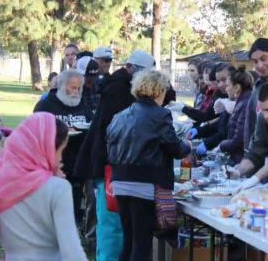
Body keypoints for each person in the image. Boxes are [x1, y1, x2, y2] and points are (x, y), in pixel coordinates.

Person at [73, 50, 155, 261]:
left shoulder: (117, 86)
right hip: (111, 164)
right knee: (111, 221)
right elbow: (115, 131)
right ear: (134, 70)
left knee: (112, 221)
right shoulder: (120, 90)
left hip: (110, 162)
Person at [0, 112, 88, 261]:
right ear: (44, 148)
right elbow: (71, 250)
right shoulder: (58, 188)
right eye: (59, 151)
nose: (60, 158)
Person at [106, 70, 191, 261]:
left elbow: (110, 144)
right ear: (159, 90)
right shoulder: (160, 114)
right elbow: (173, 148)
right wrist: (187, 147)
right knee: (142, 244)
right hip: (144, 183)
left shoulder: (120, 115)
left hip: (120, 181)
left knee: (129, 241)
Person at [34, 69, 93, 229]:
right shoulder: (46, 104)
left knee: (74, 199)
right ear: (61, 87)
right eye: (73, 87)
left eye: (79, 88)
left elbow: (90, 125)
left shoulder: (83, 104)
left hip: (76, 163)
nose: (77, 92)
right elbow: (35, 130)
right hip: (53, 164)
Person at [218, 65, 253, 163]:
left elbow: (238, 140)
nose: (226, 89)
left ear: (237, 87)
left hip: (242, 160)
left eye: (228, 85)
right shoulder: (242, 101)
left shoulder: (245, 104)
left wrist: (221, 145)